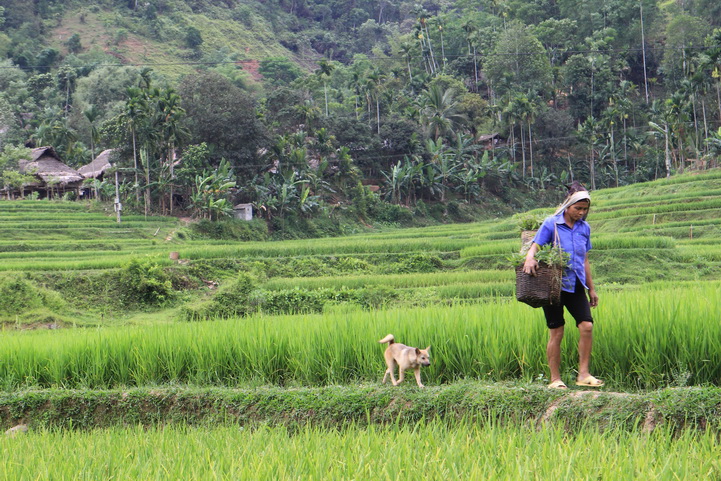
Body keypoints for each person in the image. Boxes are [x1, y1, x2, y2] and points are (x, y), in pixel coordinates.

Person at [522, 188, 602, 389]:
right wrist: (530, 257)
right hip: (553, 286)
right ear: (568, 206)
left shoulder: (585, 228)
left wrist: (591, 289)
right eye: (578, 208)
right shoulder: (552, 223)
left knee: (587, 326)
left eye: (584, 209)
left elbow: (584, 260)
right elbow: (536, 244)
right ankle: (555, 379)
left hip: (576, 285)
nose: (581, 212)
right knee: (556, 332)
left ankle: (583, 374)